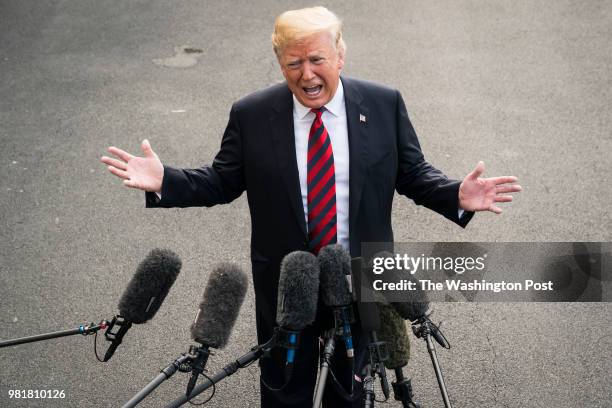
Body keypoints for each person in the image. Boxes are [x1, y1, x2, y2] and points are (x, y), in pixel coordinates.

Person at [101, 6, 521, 407]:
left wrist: (455, 195)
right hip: (288, 283)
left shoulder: (382, 105)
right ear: (279, 62)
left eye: (317, 59)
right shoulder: (252, 114)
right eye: (293, 64)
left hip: (357, 277)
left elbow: (412, 173)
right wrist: (165, 181)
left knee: (349, 392)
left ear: (340, 53)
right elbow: (222, 181)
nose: (306, 74)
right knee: (286, 390)